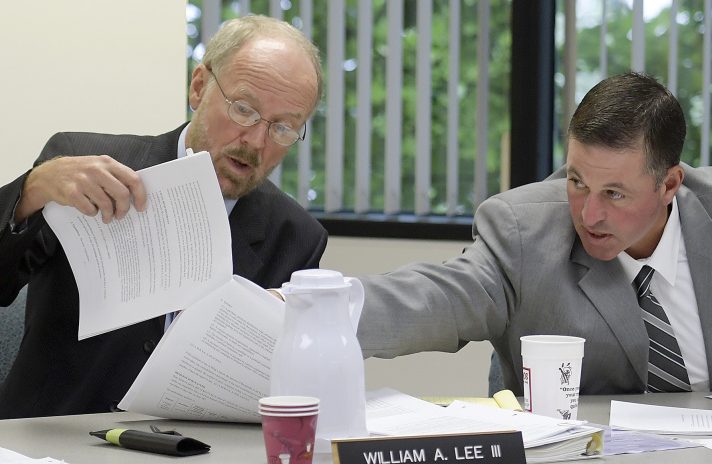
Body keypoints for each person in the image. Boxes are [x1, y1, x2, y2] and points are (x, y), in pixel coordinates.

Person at [0, 15, 328, 419]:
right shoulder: (80, 165)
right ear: (199, 87)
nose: (257, 142)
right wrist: (32, 190)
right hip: (53, 436)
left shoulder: (294, 236)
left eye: (283, 128)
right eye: (244, 109)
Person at [355, 72, 711, 395]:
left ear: (668, 184)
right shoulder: (524, 234)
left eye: (614, 194)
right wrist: (318, 310)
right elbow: (438, 297)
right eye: (577, 182)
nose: (588, 215)